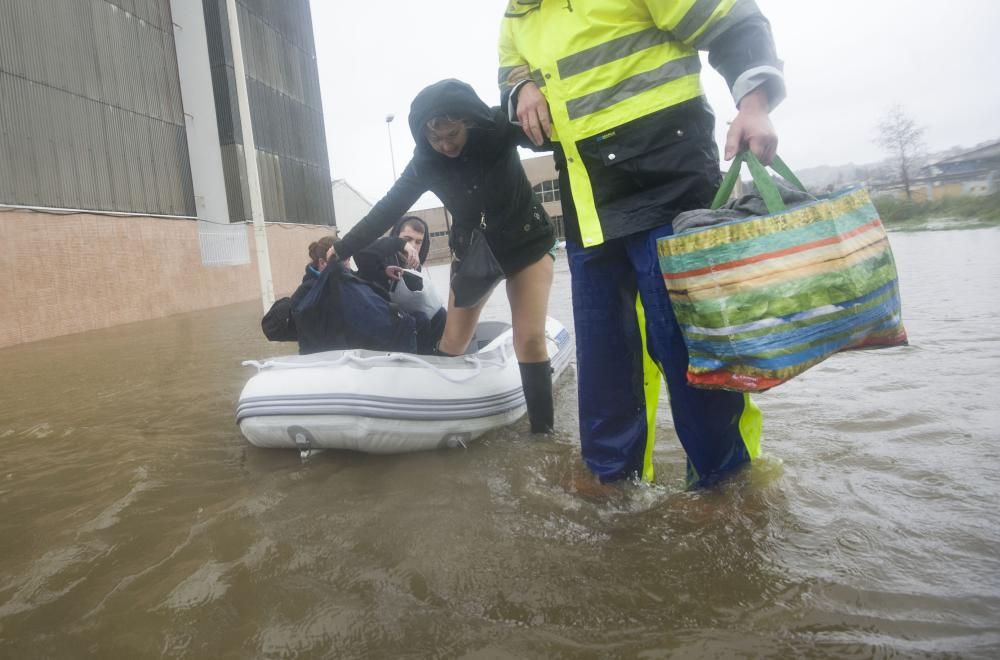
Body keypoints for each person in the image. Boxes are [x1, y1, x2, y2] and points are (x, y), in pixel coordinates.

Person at [498, 0, 784, 485]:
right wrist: (521, 88)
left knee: (690, 348)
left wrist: (754, 106)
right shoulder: (516, 16)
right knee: (604, 366)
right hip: (588, 201)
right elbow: (509, 74)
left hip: (670, 183)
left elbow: (733, 20)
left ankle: (726, 489)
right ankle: (615, 489)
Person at [329, 79, 557, 433]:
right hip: (473, 253)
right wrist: (341, 248)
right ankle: (438, 419)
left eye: (452, 134)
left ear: (468, 121)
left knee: (528, 338)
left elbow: (549, 133)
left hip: (526, 241)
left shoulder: (497, 128)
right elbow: (387, 210)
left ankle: (544, 433)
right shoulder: (425, 162)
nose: (445, 145)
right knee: (452, 341)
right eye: (436, 139)